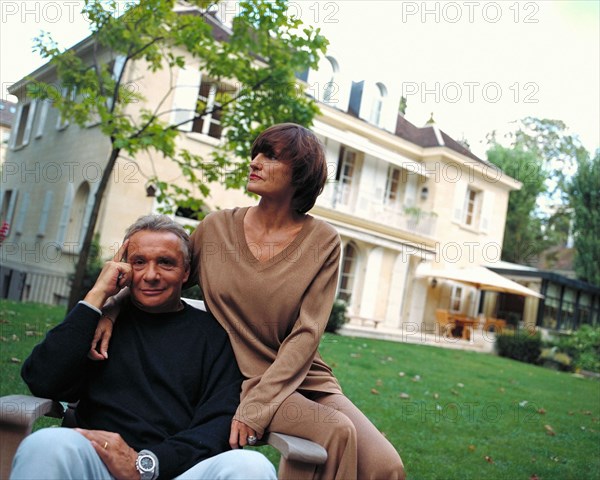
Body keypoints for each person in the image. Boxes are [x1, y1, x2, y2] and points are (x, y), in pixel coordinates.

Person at [92, 124, 406, 480]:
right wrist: (111, 309)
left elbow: (307, 333)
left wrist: (260, 406)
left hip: (303, 375)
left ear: (300, 173)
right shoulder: (215, 229)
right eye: (256, 152)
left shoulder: (324, 240)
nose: (255, 161)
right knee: (335, 431)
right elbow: (154, 274)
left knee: (387, 466)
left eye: (270, 156)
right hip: (240, 376)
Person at [11, 215, 276, 480]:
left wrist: (148, 463)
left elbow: (217, 424)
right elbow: (42, 380)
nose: (151, 275)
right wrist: (97, 296)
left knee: (253, 467)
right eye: (139, 262)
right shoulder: (98, 324)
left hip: (177, 470)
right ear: (123, 268)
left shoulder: (215, 336)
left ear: (185, 272)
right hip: (99, 461)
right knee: (45, 444)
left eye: (166, 262)